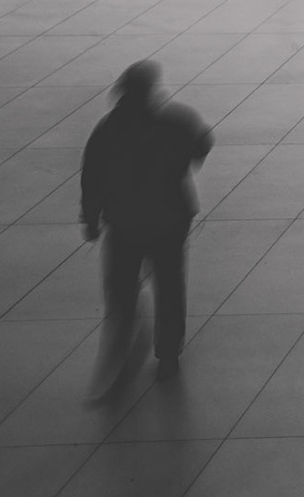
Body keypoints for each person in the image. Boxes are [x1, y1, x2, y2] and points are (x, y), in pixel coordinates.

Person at [80, 61, 213, 393]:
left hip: (125, 222)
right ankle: (167, 353)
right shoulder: (173, 121)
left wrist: (91, 217)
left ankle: (122, 342)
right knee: (169, 284)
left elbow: (92, 177)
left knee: (121, 286)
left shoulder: (108, 129)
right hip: (169, 219)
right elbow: (202, 145)